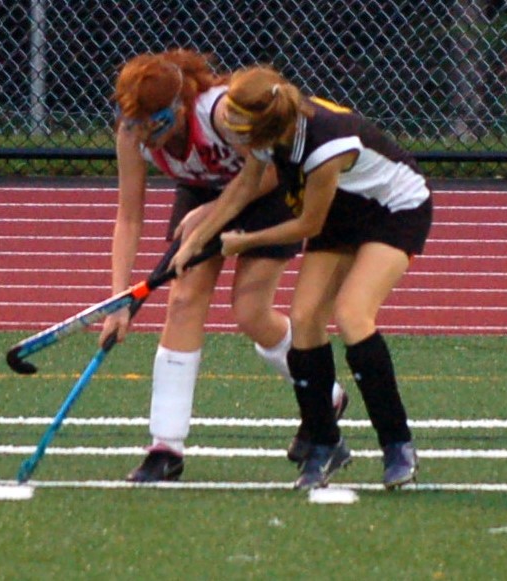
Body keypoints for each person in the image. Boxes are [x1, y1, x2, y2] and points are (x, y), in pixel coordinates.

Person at [173, 65, 433, 490]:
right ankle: (325, 443)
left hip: (393, 209)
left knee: (352, 315)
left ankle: (397, 444)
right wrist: (195, 241)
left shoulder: (324, 147)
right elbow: (243, 187)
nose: (231, 135)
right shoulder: (272, 127)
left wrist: (244, 241)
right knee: (305, 319)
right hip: (341, 209)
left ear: (263, 128)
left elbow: (308, 225)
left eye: (239, 129)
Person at [101, 50, 347, 482]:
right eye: (133, 124)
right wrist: (119, 300)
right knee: (183, 300)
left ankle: (325, 394)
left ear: (179, 108)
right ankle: (165, 447)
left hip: (267, 187)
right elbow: (129, 216)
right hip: (202, 191)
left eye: (153, 124)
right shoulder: (132, 133)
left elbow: (265, 174)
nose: (143, 136)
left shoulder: (219, 114)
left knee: (250, 312)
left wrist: (213, 213)